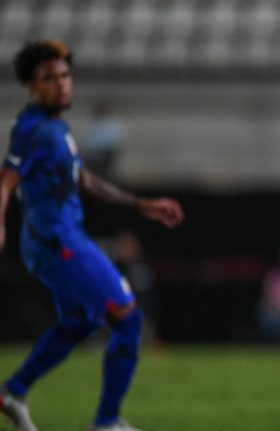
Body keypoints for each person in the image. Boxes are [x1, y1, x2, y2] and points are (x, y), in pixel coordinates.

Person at [0, 40, 184, 431]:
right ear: (32, 86)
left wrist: (140, 203)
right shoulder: (30, 127)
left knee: (79, 323)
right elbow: (7, 178)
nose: (62, 85)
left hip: (62, 238)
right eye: (50, 79)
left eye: (65, 76)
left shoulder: (57, 127)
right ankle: (106, 422)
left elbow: (83, 179)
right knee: (128, 318)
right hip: (57, 241)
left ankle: (13, 391)